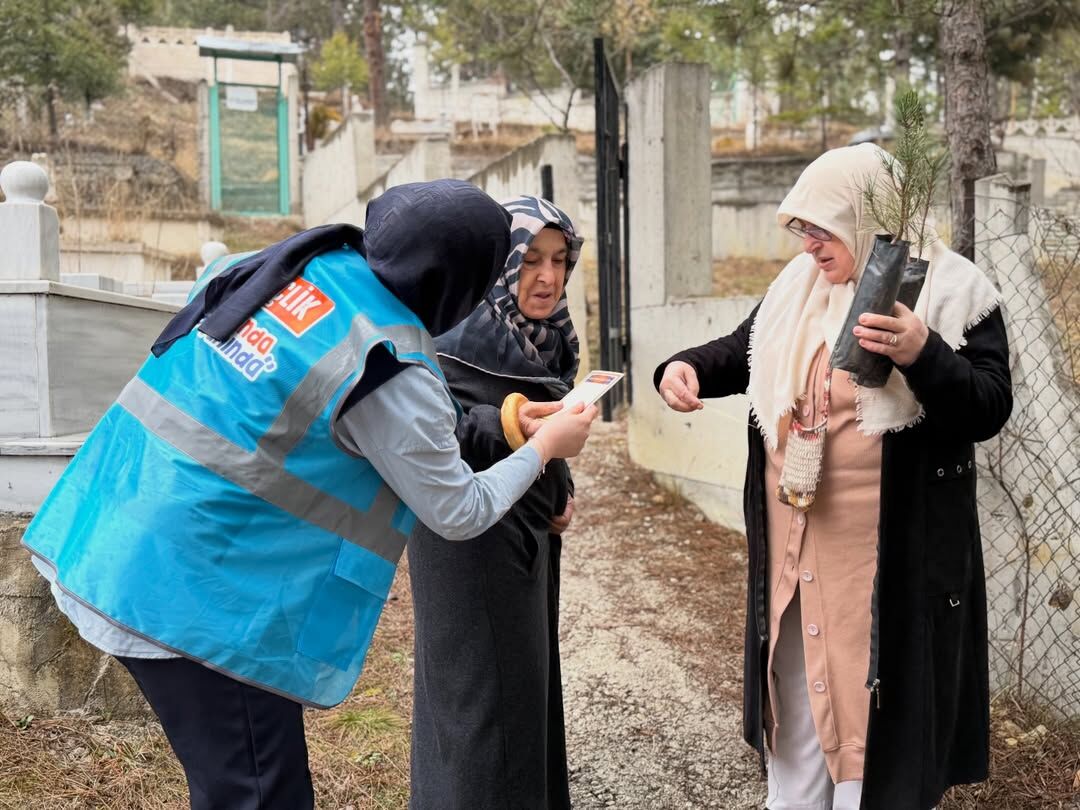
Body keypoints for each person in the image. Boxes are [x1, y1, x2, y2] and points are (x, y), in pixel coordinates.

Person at [22, 180, 598, 810]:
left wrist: (512, 426)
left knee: (241, 783)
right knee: (260, 792)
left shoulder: (300, 270)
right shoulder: (388, 360)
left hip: (106, 528)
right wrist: (544, 449)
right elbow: (457, 510)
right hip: (191, 600)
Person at [655, 144, 1012, 810]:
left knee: (877, 733)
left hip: (884, 572)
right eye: (801, 226)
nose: (808, 240)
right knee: (795, 716)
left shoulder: (952, 290)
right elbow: (743, 351)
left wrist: (922, 352)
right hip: (797, 561)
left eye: (820, 224)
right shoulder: (798, 288)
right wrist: (687, 368)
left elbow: (989, 405)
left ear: (863, 214)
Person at [407, 196, 583, 810]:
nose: (548, 277)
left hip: (524, 533)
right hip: (467, 538)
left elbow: (545, 428)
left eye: (560, 260)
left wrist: (557, 487)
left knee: (522, 695)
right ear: (500, 263)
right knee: (480, 705)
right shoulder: (455, 335)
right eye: (530, 259)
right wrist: (513, 425)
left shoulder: (544, 338)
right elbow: (434, 431)